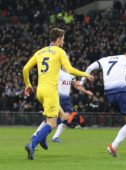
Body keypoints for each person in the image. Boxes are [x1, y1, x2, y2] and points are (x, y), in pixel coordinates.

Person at [23, 28, 94, 160]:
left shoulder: (40, 52)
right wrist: (85, 74)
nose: (63, 41)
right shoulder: (60, 51)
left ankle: (42, 138)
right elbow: (69, 69)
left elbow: (25, 68)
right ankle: (32, 144)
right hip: (51, 91)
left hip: (40, 90)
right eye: (63, 39)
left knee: (64, 115)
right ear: (58, 39)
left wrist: (28, 84)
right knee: (52, 123)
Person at [32, 68, 93, 143]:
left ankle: (55, 137)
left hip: (66, 98)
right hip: (56, 96)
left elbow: (76, 85)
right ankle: (36, 134)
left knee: (66, 117)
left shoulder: (71, 73)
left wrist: (86, 91)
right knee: (51, 118)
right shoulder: (56, 71)